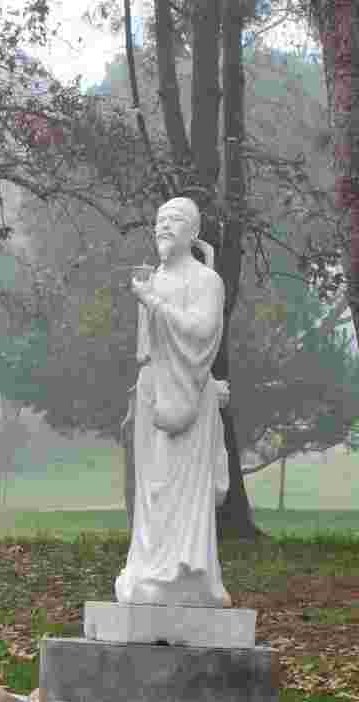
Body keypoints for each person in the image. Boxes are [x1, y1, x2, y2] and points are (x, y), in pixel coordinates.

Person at [115, 196, 233, 608]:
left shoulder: (206, 281)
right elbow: (148, 351)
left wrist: (152, 302)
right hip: (153, 390)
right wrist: (149, 298)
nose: (164, 225)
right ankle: (147, 568)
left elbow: (201, 334)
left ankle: (181, 573)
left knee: (174, 486)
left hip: (185, 395)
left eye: (176, 219)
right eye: (160, 219)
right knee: (151, 489)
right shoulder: (152, 280)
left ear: (194, 232)